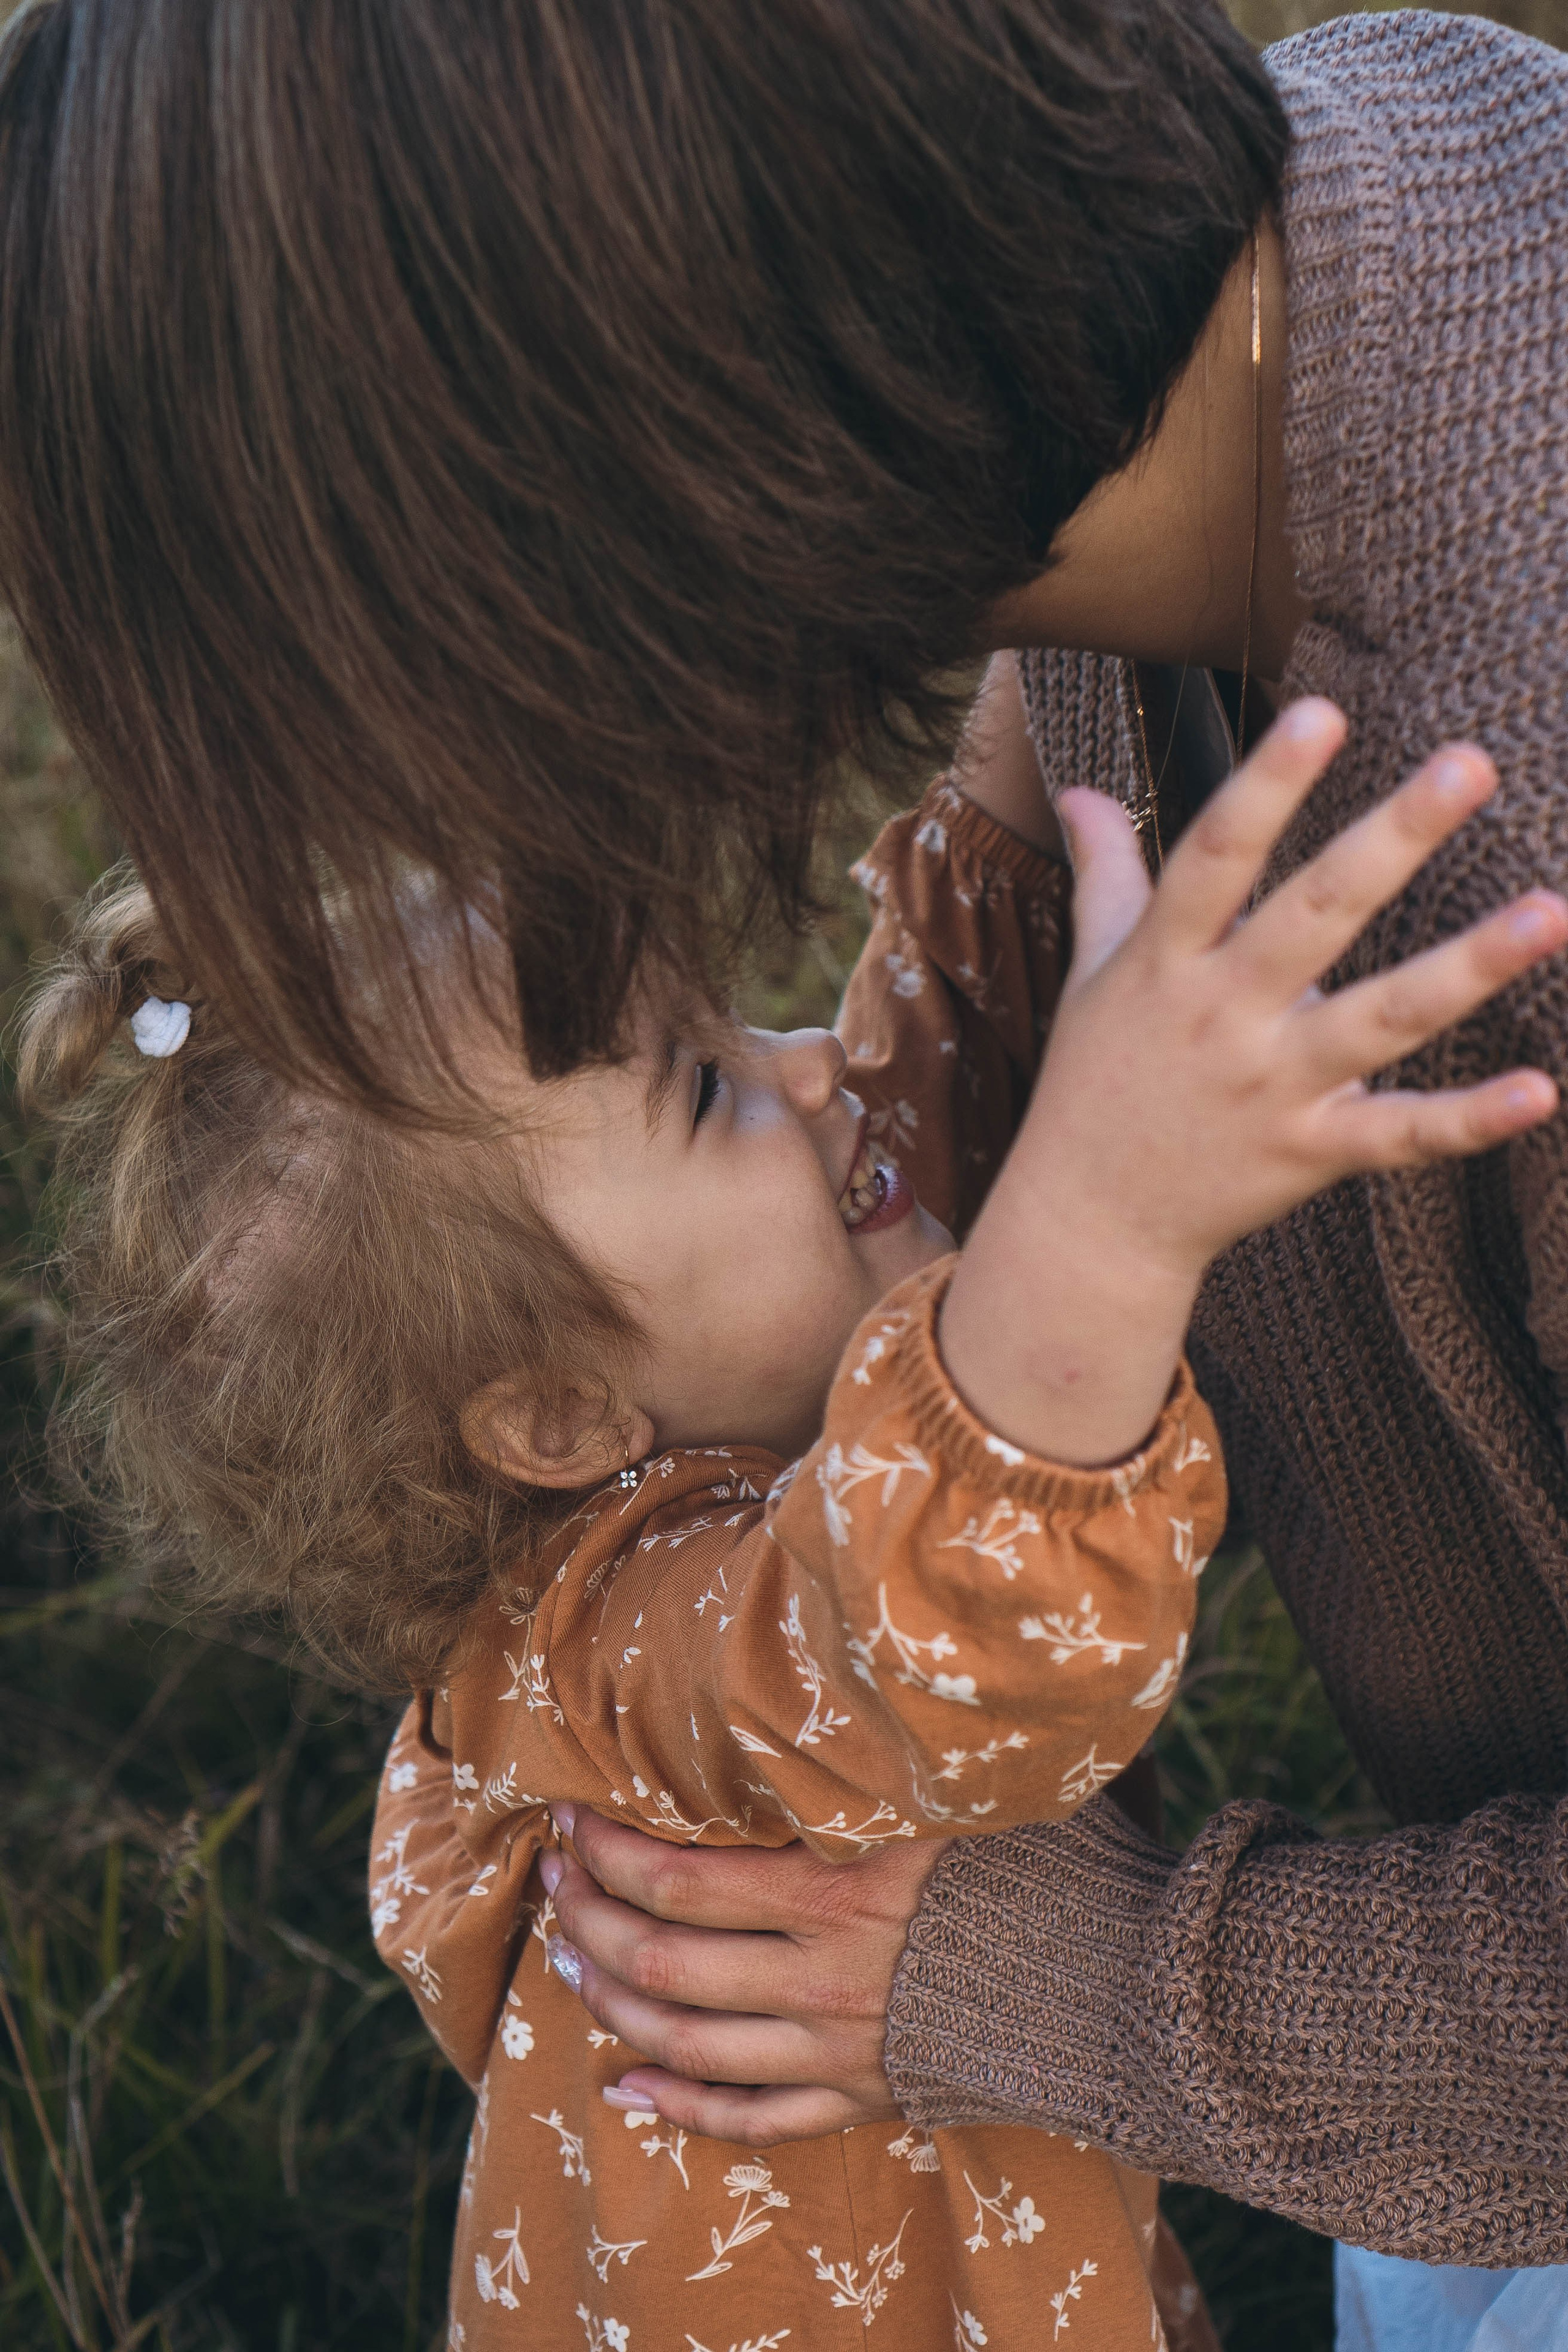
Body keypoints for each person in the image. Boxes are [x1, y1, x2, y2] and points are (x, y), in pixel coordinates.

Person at [2, 0, 1568, 2332]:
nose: (820, 1072)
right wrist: (1079, 1139)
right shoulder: (1247, 358)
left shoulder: (1511, 782)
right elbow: (937, 1508)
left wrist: (1125, 1994)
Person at [20, 682, 1557, 2345]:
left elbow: (917, 1144)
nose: (821, 1070)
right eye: (708, 1094)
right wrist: (1112, 1224)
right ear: (555, 1414)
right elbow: (962, 1643)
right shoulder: (650, 1652)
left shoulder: (644, 1534)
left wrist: (1026, 771)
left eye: (742, 1030)